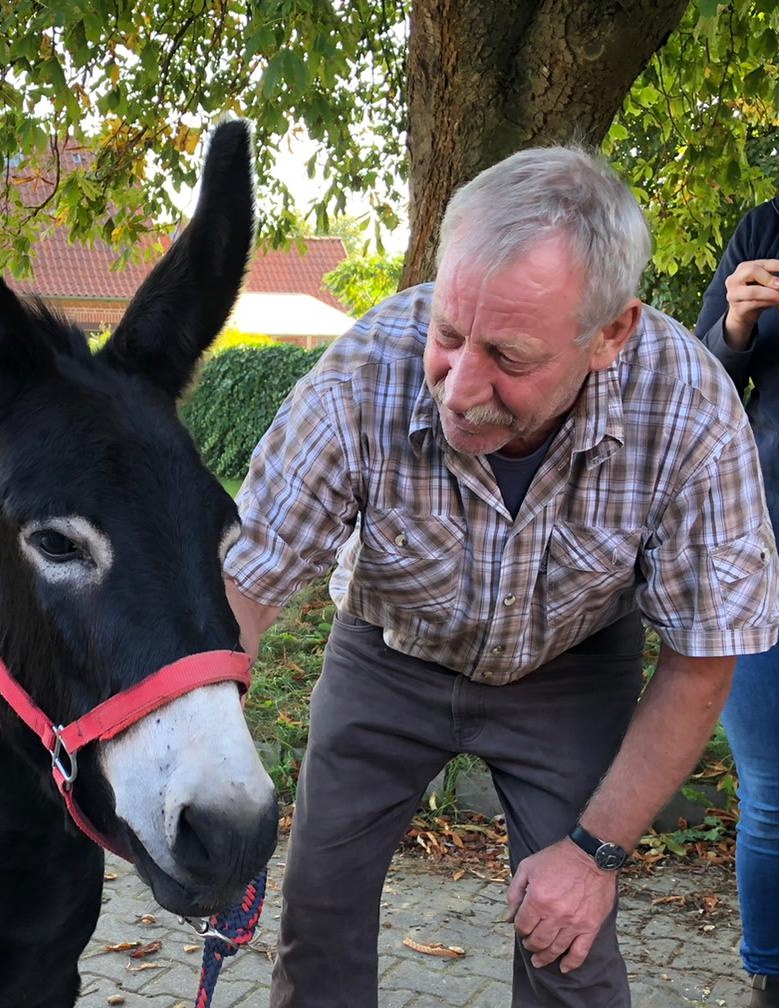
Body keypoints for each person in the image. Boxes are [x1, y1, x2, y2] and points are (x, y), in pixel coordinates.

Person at [222, 147, 779, 1008]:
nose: (458, 387)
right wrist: (202, 774)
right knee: (318, 919)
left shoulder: (689, 410)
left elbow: (705, 658)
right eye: (448, 334)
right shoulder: (364, 374)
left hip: (572, 666)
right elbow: (246, 583)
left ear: (611, 334)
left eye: (509, 357)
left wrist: (594, 856)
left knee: (571, 950)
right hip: (388, 654)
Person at [693, 196, 779, 1008]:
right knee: (772, 793)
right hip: (767, 553)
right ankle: (768, 978)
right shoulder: (763, 229)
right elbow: (698, 388)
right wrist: (738, 329)